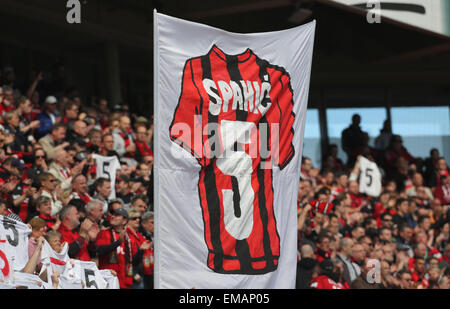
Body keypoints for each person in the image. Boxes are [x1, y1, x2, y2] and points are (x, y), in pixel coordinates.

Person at [96, 207, 133, 289]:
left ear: (124, 221)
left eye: (117, 215)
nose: (112, 216)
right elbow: (100, 251)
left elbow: (132, 261)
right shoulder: (104, 233)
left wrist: (141, 251)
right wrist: (117, 243)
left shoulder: (130, 238)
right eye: (112, 214)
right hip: (108, 282)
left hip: (125, 284)